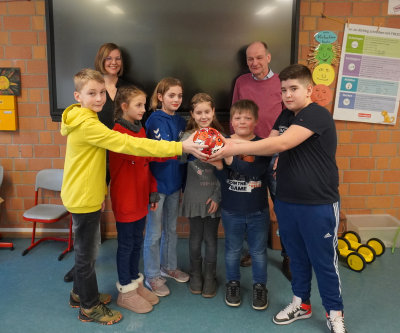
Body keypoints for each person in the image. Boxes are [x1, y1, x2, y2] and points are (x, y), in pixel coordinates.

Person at [61, 69, 207, 325]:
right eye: (91, 93)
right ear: (77, 96)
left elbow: (139, 154)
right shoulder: (88, 124)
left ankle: (80, 293)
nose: (98, 98)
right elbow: (133, 146)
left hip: (91, 195)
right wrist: (179, 147)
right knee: (87, 255)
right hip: (83, 198)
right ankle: (88, 306)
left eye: (101, 93)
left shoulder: (90, 119)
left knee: (96, 250)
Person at [210, 64, 346, 333]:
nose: (288, 95)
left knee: (323, 261)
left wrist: (233, 145)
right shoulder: (284, 116)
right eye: (283, 90)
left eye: (294, 89)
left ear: (309, 90)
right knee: (296, 257)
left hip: (318, 203)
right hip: (286, 200)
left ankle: (335, 313)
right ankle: (301, 304)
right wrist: (226, 148)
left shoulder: (317, 115)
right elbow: (266, 149)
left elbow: (279, 144)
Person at [64, 42, 130, 283]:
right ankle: (83, 263)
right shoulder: (92, 85)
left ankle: (91, 261)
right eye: (109, 58)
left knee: (107, 203)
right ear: (100, 60)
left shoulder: (125, 88)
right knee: (91, 213)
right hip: (98, 153)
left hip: (117, 154)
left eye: (118, 58)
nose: (114, 62)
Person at [232, 41, 290, 278]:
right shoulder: (241, 82)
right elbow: (235, 114)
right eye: (249, 59)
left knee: (283, 206)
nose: (254, 63)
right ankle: (252, 251)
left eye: (258, 58)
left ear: (268, 57)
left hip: (278, 154)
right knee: (251, 206)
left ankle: (289, 256)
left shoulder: (282, 83)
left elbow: (292, 115)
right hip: (250, 152)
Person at [210, 99, 271, 311]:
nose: (242, 121)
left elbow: (255, 171)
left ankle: (260, 286)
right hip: (231, 210)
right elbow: (223, 177)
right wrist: (219, 165)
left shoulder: (263, 145)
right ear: (231, 122)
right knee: (232, 250)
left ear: (255, 121)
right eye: (237, 118)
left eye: (247, 118)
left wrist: (228, 160)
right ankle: (233, 283)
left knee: (258, 252)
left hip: (258, 210)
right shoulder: (224, 142)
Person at [109, 85, 162, 314]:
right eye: (138, 105)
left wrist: (152, 191)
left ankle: (135, 284)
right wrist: (181, 148)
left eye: (144, 104)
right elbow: (146, 152)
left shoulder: (139, 129)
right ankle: (125, 292)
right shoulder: (118, 133)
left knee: (137, 243)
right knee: (126, 244)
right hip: (125, 200)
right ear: (124, 107)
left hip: (140, 198)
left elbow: (146, 165)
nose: (144, 109)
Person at [143, 77, 189, 297]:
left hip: (174, 185)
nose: (176, 99)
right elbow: (160, 151)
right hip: (157, 187)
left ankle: (168, 266)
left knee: (171, 229)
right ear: (160, 97)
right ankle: (152, 275)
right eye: (171, 95)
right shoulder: (154, 120)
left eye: (180, 96)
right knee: (153, 233)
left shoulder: (181, 122)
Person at [180, 93, 224, 298]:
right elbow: (179, 161)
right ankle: (196, 276)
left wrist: (217, 196)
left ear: (213, 112)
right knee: (195, 238)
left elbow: (225, 171)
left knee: (211, 240)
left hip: (212, 196)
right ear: (192, 114)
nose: (204, 115)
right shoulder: (186, 137)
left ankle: (209, 278)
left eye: (207, 111)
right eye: (199, 112)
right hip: (193, 196)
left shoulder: (221, 137)